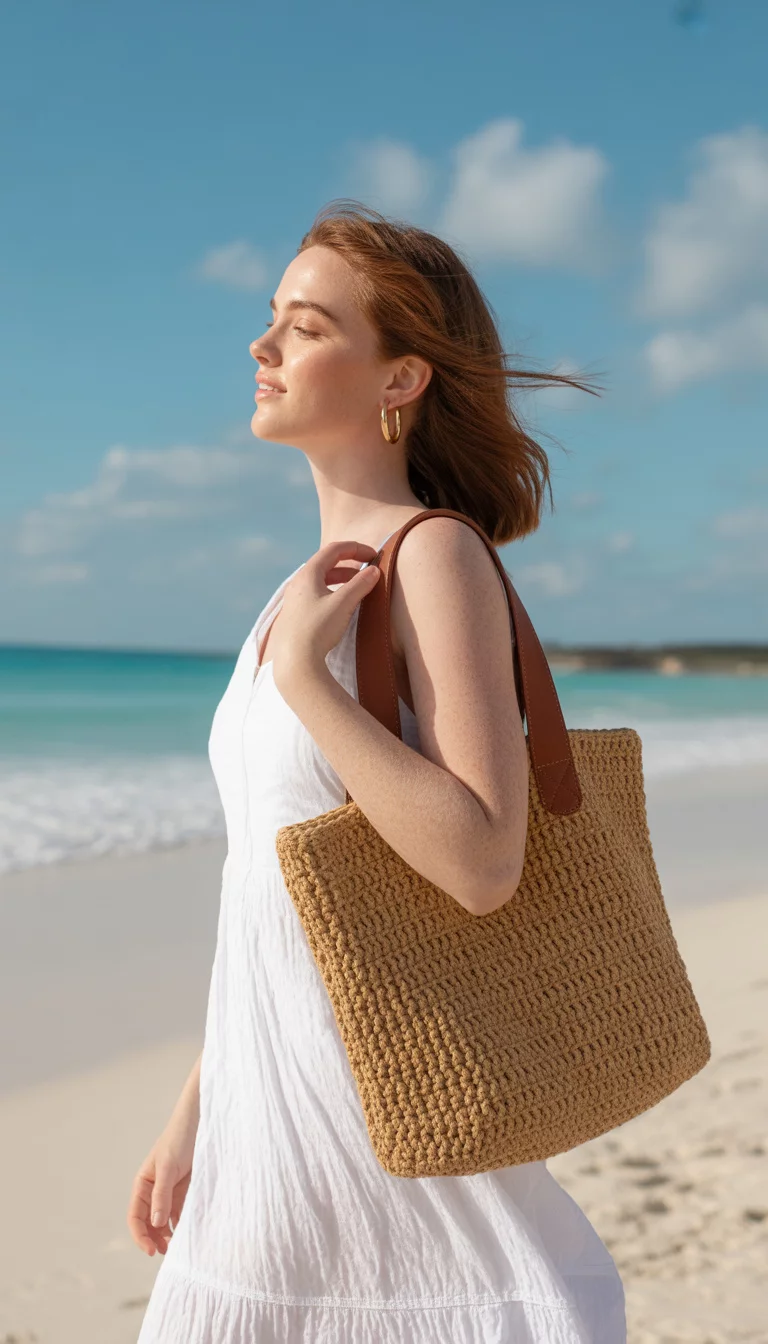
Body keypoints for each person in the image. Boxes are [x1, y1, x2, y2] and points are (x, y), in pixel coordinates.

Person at [129, 201, 626, 1342]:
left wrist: (307, 679)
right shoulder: (297, 592)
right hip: (273, 1138)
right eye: (272, 321)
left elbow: (483, 858)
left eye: (304, 328)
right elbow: (274, 884)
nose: (262, 349)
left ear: (401, 378)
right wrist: (195, 1111)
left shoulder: (436, 554)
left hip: (387, 1137)